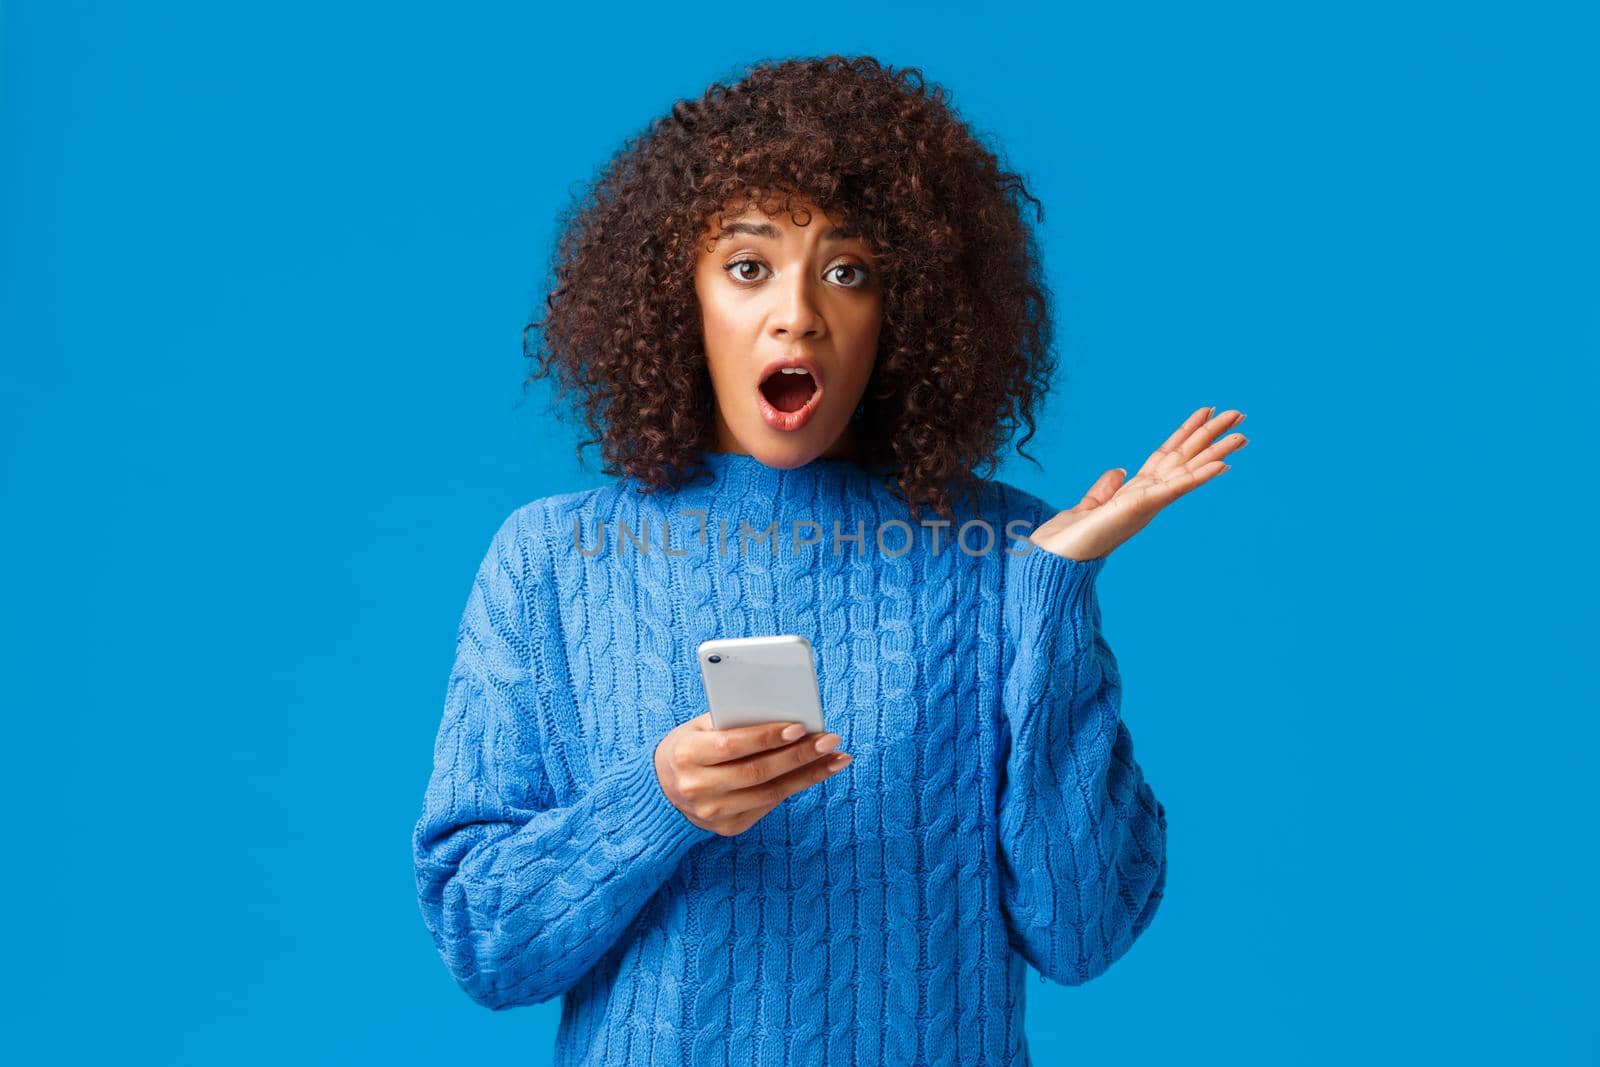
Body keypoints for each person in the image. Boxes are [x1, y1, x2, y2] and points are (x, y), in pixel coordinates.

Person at [412, 54, 1248, 1065]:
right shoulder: (552, 556)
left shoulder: (1007, 554)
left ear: (907, 314)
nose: (798, 312)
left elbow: (1082, 932)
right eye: (748, 265)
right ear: (682, 299)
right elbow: (483, 939)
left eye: (847, 272)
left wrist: (1053, 592)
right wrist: (660, 803)